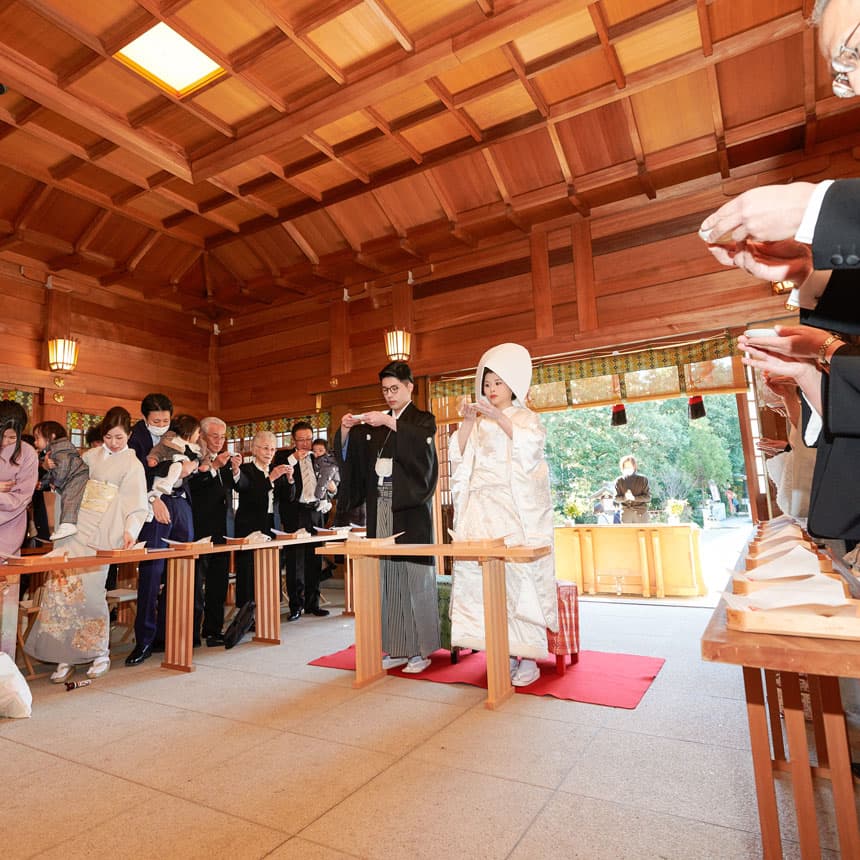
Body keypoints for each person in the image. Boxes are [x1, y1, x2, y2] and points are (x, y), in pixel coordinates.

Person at [448, 343, 558, 687]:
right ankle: (501, 651)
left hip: (511, 508)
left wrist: (500, 418)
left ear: (511, 384)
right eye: (487, 383)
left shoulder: (526, 418)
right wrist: (468, 423)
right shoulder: (480, 423)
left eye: (497, 382)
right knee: (484, 583)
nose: (491, 389)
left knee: (516, 581)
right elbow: (460, 458)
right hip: (481, 509)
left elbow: (531, 453)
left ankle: (527, 656)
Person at [26, 407, 148, 682]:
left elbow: (136, 504)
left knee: (91, 595)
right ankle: (64, 656)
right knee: (61, 591)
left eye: (119, 437)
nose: (113, 443)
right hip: (75, 527)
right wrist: (51, 470)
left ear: (128, 435)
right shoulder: (89, 456)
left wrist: (129, 531)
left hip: (103, 530)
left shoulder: (133, 464)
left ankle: (98, 652)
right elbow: (70, 484)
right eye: (108, 437)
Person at [335, 361, 440, 673]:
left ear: (410, 387)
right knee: (388, 578)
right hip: (381, 504)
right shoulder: (375, 425)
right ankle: (397, 646)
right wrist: (345, 431)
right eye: (385, 390)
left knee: (414, 575)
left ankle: (422, 650)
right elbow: (352, 459)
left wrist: (390, 423)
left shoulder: (422, 420)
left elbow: (424, 453)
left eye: (395, 388)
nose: (390, 395)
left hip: (410, 506)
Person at [126, 393, 197, 666]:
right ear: (144, 418)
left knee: (181, 570)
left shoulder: (176, 434)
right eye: (156, 421)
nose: (161, 424)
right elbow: (135, 477)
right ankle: (144, 640)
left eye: (165, 420)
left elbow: (191, 459)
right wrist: (153, 499)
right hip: (153, 505)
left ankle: (169, 635)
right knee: (152, 574)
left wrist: (191, 466)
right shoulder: (135, 440)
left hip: (181, 504)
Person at [273, 422, 329, 620]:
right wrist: (294, 459)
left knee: (314, 558)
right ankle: (296, 605)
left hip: (315, 512)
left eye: (309, 439)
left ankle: (312, 603)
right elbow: (278, 484)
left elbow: (329, 479)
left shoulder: (319, 457)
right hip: (295, 512)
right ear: (293, 440)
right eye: (301, 439)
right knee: (295, 560)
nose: (306, 443)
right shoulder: (283, 457)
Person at [187, 416, 234, 646]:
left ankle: (213, 629)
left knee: (218, 583)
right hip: (198, 528)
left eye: (223, 436)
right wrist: (213, 467)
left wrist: (233, 471)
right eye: (214, 436)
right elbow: (193, 488)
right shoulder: (194, 456)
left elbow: (228, 492)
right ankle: (192, 633)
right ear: (202, 436)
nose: (219, 441)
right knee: (196, 584)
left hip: (221, 530)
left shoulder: (223, 461)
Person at [231, 431, 292, 609]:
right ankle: (246, 614)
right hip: (249, 524)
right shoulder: (247, 470)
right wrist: (271, 478)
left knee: (270, 567)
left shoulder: (275, 469)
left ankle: (268, 611)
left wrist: (289, 479)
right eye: (265, 448)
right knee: (249, 569)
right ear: (254, 449)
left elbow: (288, 498)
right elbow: (250, 495)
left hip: (271, 522)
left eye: (272, 449)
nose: (269, 452)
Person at [32, 420, 89, 541]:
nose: (35, 442)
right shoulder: (52, 452)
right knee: (67, 499)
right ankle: (66, 524)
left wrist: (55, 482)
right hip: (73, 476)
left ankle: (68, 524)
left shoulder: (59, 450)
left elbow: (62, 467)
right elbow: (52, 471)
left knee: (70, 499)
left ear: (51, 436)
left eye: (37, 438)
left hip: (77, 476)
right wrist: (43, 483)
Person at [0, 401, 39, 557]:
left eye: (12, 438)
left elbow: (22, 497)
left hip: (9, 528)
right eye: (2, 435)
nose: (5, 442)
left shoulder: (28, 453)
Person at [145, 414, 201, 498]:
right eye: (197, 432)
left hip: (180, 482)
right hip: (165, 469)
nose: (199, 435)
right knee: (177, 465)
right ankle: (166, 485)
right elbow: (158, 450)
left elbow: (197, 462)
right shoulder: (171, 441)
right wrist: (153, 458)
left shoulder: (194, 448)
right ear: (189, 431)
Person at [614, 455, 651, 523]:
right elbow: (616, 498)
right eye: (625, 467)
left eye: (630, 466)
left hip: (641, 513)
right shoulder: (619, 481)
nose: (628, 468)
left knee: (642, 533)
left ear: (634, 466)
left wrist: (634, 498)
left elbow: (648, 497)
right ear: (622, 468)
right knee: (627, 533)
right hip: (626, 514)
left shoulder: (643, 479)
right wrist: (625, 498)